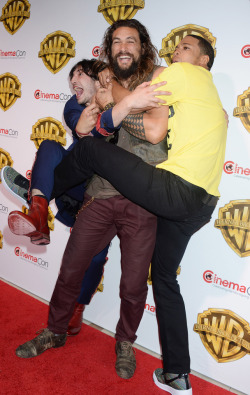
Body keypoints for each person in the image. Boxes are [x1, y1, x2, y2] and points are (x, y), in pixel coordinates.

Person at [13, 19, 170, 381]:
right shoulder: (98, 87)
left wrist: (119, 102)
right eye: (117, 42)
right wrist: (119, 105)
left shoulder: (158, 80)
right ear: (108, 49)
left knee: (133, 285)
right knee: (71, 269)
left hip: (142, 200)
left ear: (143, 46)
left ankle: (126, 344)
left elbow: (153, 132)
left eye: (132, 40)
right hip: (98, 195)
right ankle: (54, 331)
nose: (124, 47)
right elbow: (85, 129)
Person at [1, 59, 114, 336]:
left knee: (97, 257)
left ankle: (78, 308)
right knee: (51, 146)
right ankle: (38, 212)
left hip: (106, 194)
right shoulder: (73, 105)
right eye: (70, 77)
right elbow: (83, 127)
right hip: (75, 184)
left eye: (79, 74)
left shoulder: (123, 106)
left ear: (99, 79)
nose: (73, 81)